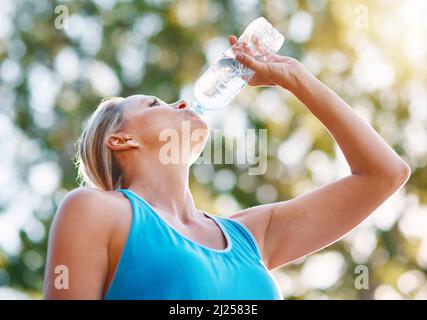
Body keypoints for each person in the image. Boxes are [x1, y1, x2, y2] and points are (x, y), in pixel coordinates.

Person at [43, 35, 411, 299]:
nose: (182, 104)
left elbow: (385, 174)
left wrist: (297, 79)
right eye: (156, 103)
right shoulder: (95, 210)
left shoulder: (252, 236)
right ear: (122, 140)